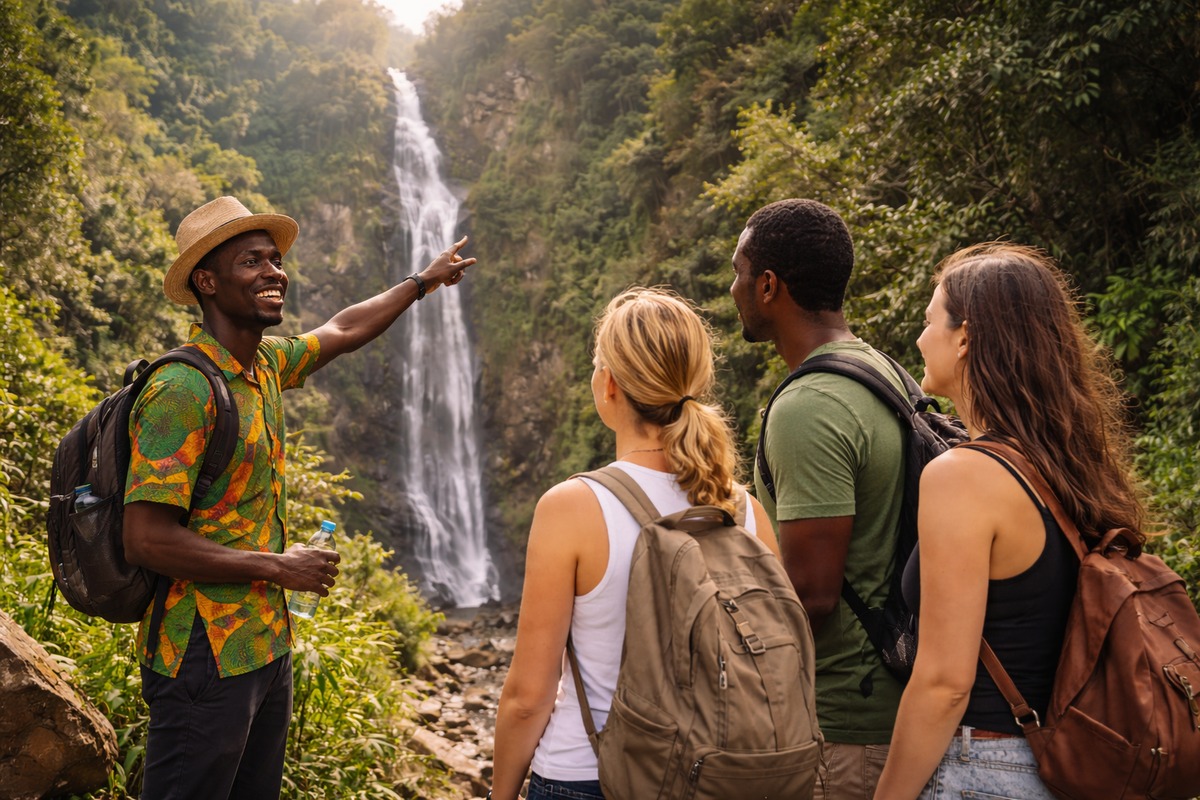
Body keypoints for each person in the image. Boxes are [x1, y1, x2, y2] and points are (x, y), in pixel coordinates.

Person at [121, 195, 475, 800]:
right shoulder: (182, 390)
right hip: (202, 652)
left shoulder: (263, 366)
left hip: (266, 644)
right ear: (206, 281)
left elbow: (343, 329)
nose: (274, 272)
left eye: (276, 260)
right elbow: (146, 539)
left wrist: (423, 281)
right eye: (252, 261)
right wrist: (279, 568)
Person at [873, 243, 1144, 799]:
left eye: (929, 321)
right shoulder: (1066, 464)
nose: (921, 339)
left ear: (965, 338)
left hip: (985, 768)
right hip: (1060, 763)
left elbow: (944, 684)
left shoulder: (962, 477)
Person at [489, 287, 782, 800]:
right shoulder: (746, 512)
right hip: (719, 778)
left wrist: (500, 793)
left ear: (608, 385)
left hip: (588, 776)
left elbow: (529, 697)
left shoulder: (572, 508)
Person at [729, 198, 906, 798]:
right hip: (888, 705)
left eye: (739, 272)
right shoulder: (882, 372)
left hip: (844, 725)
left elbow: (811, 595)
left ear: (769, 285)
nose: (734, 289)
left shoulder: (809, 407)